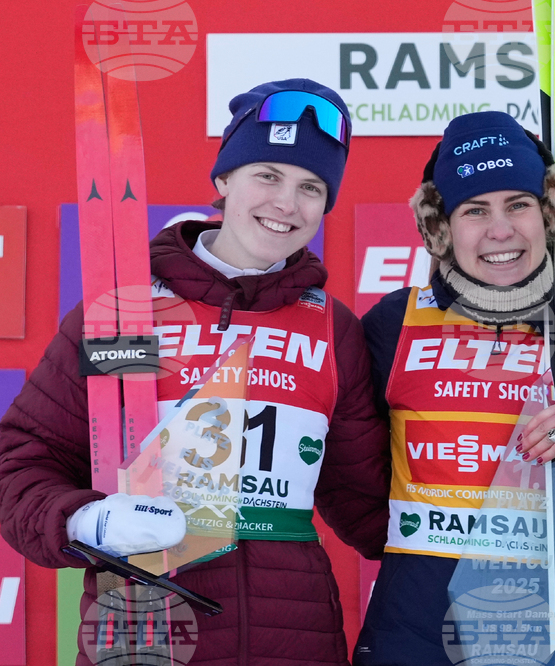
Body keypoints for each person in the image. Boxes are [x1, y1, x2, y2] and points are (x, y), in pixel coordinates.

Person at [0, 79, 390, 665]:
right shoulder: (130, 312)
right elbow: (25, 462)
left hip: (294, 638)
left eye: (311, 187)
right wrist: (87, 520)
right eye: (267, 174)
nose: (287, 203)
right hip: (146, 633)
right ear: (223, 181)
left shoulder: (331, 330)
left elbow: (370, 506)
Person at [354, 110, 555, 665]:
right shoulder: (394, 325)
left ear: (549, 214)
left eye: (518, 204)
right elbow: (350, 473)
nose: (501, 229)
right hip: (416, 633)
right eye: (474, 210)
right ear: (441, 228)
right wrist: (411, 560)